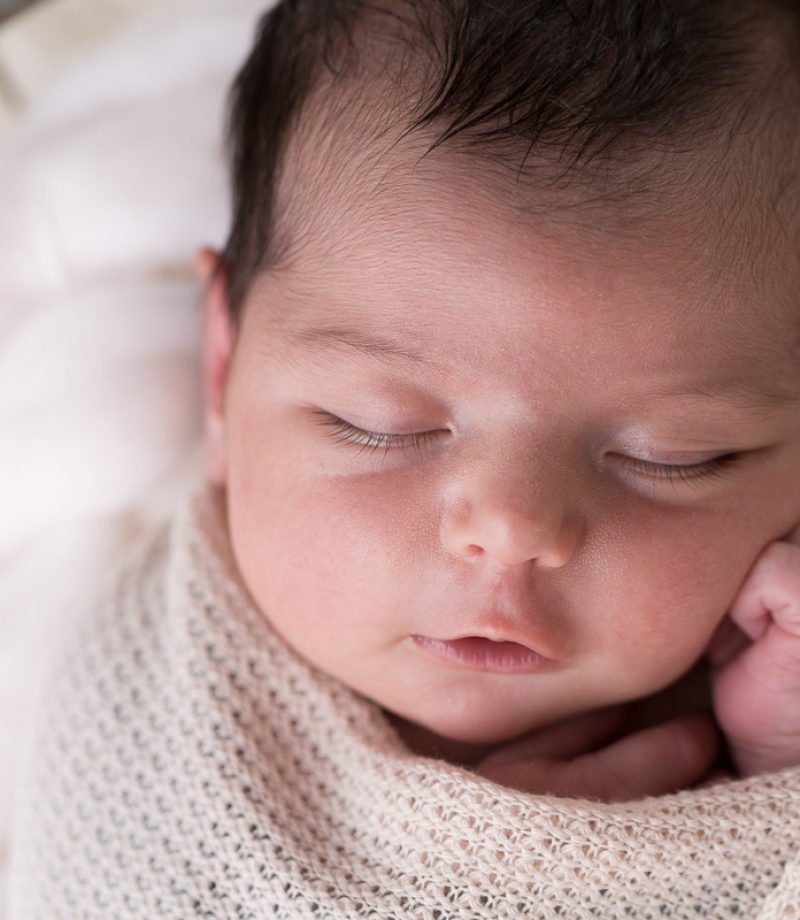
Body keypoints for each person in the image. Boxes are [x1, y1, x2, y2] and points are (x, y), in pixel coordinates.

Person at [9, 0, 800, 916]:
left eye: (674, 455)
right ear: (223, 367)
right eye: (378, 424)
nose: (508, 530)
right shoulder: (145, 708)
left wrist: (775, 766)